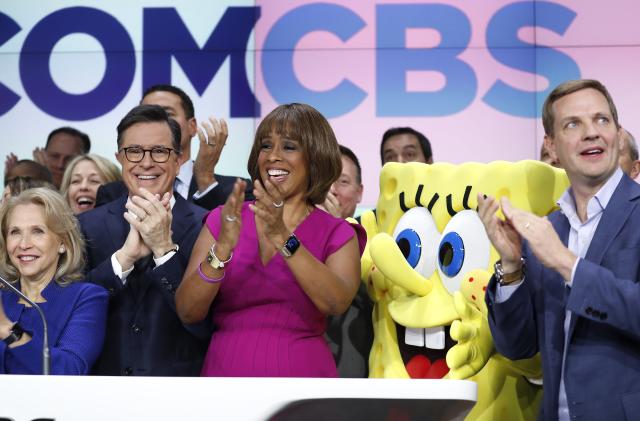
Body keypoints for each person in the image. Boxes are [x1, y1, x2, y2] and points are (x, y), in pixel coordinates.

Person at [479, 79, 640, 420]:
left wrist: (569, 265)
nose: (592, 133)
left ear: (619, 134)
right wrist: (511, 267)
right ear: (551, 147)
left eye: (601, 120)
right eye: (573, 124)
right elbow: (517, 346)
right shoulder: (548, 230)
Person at [175, 103, 366, 377]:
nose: (273, 156)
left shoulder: (337, 232)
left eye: (289, 147)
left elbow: (335, 302)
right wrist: (222, 250)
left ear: (316, 157)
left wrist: (282, 236)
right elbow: (188, 311)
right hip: (224, 384)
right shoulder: (224, 219)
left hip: (304, 391)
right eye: (266, 146)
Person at [79, 104, 209, 376]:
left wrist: (164, 252)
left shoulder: (207, 225)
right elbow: (73, 314)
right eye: (134, 151)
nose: (146, 162)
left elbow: (206, 322)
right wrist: (122, 260)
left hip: (180, 392)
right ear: (120, 158)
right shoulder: (86, 226)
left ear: (179, 159)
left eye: (159, 151)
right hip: (102, 389)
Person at [0, 188, 108, 374]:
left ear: (63, 243)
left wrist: (7, 330)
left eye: (37, 231)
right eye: (15, 232)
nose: (24, 244)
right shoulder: (3, 297)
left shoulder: (86, 298)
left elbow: (70, 370)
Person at [96, 84, 252, 209]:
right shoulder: (112, 193)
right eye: (147, 115)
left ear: (192, 126)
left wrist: (205, 178)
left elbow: (230, 240)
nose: (155, 124)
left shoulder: (237, 190)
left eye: (166, 114)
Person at [322, 145, 364, 220]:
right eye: (325, 180)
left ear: (359, 192)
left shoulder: (371, 231)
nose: (331, 189)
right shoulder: (297, 228)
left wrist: (336, 225)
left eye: (343, 181)